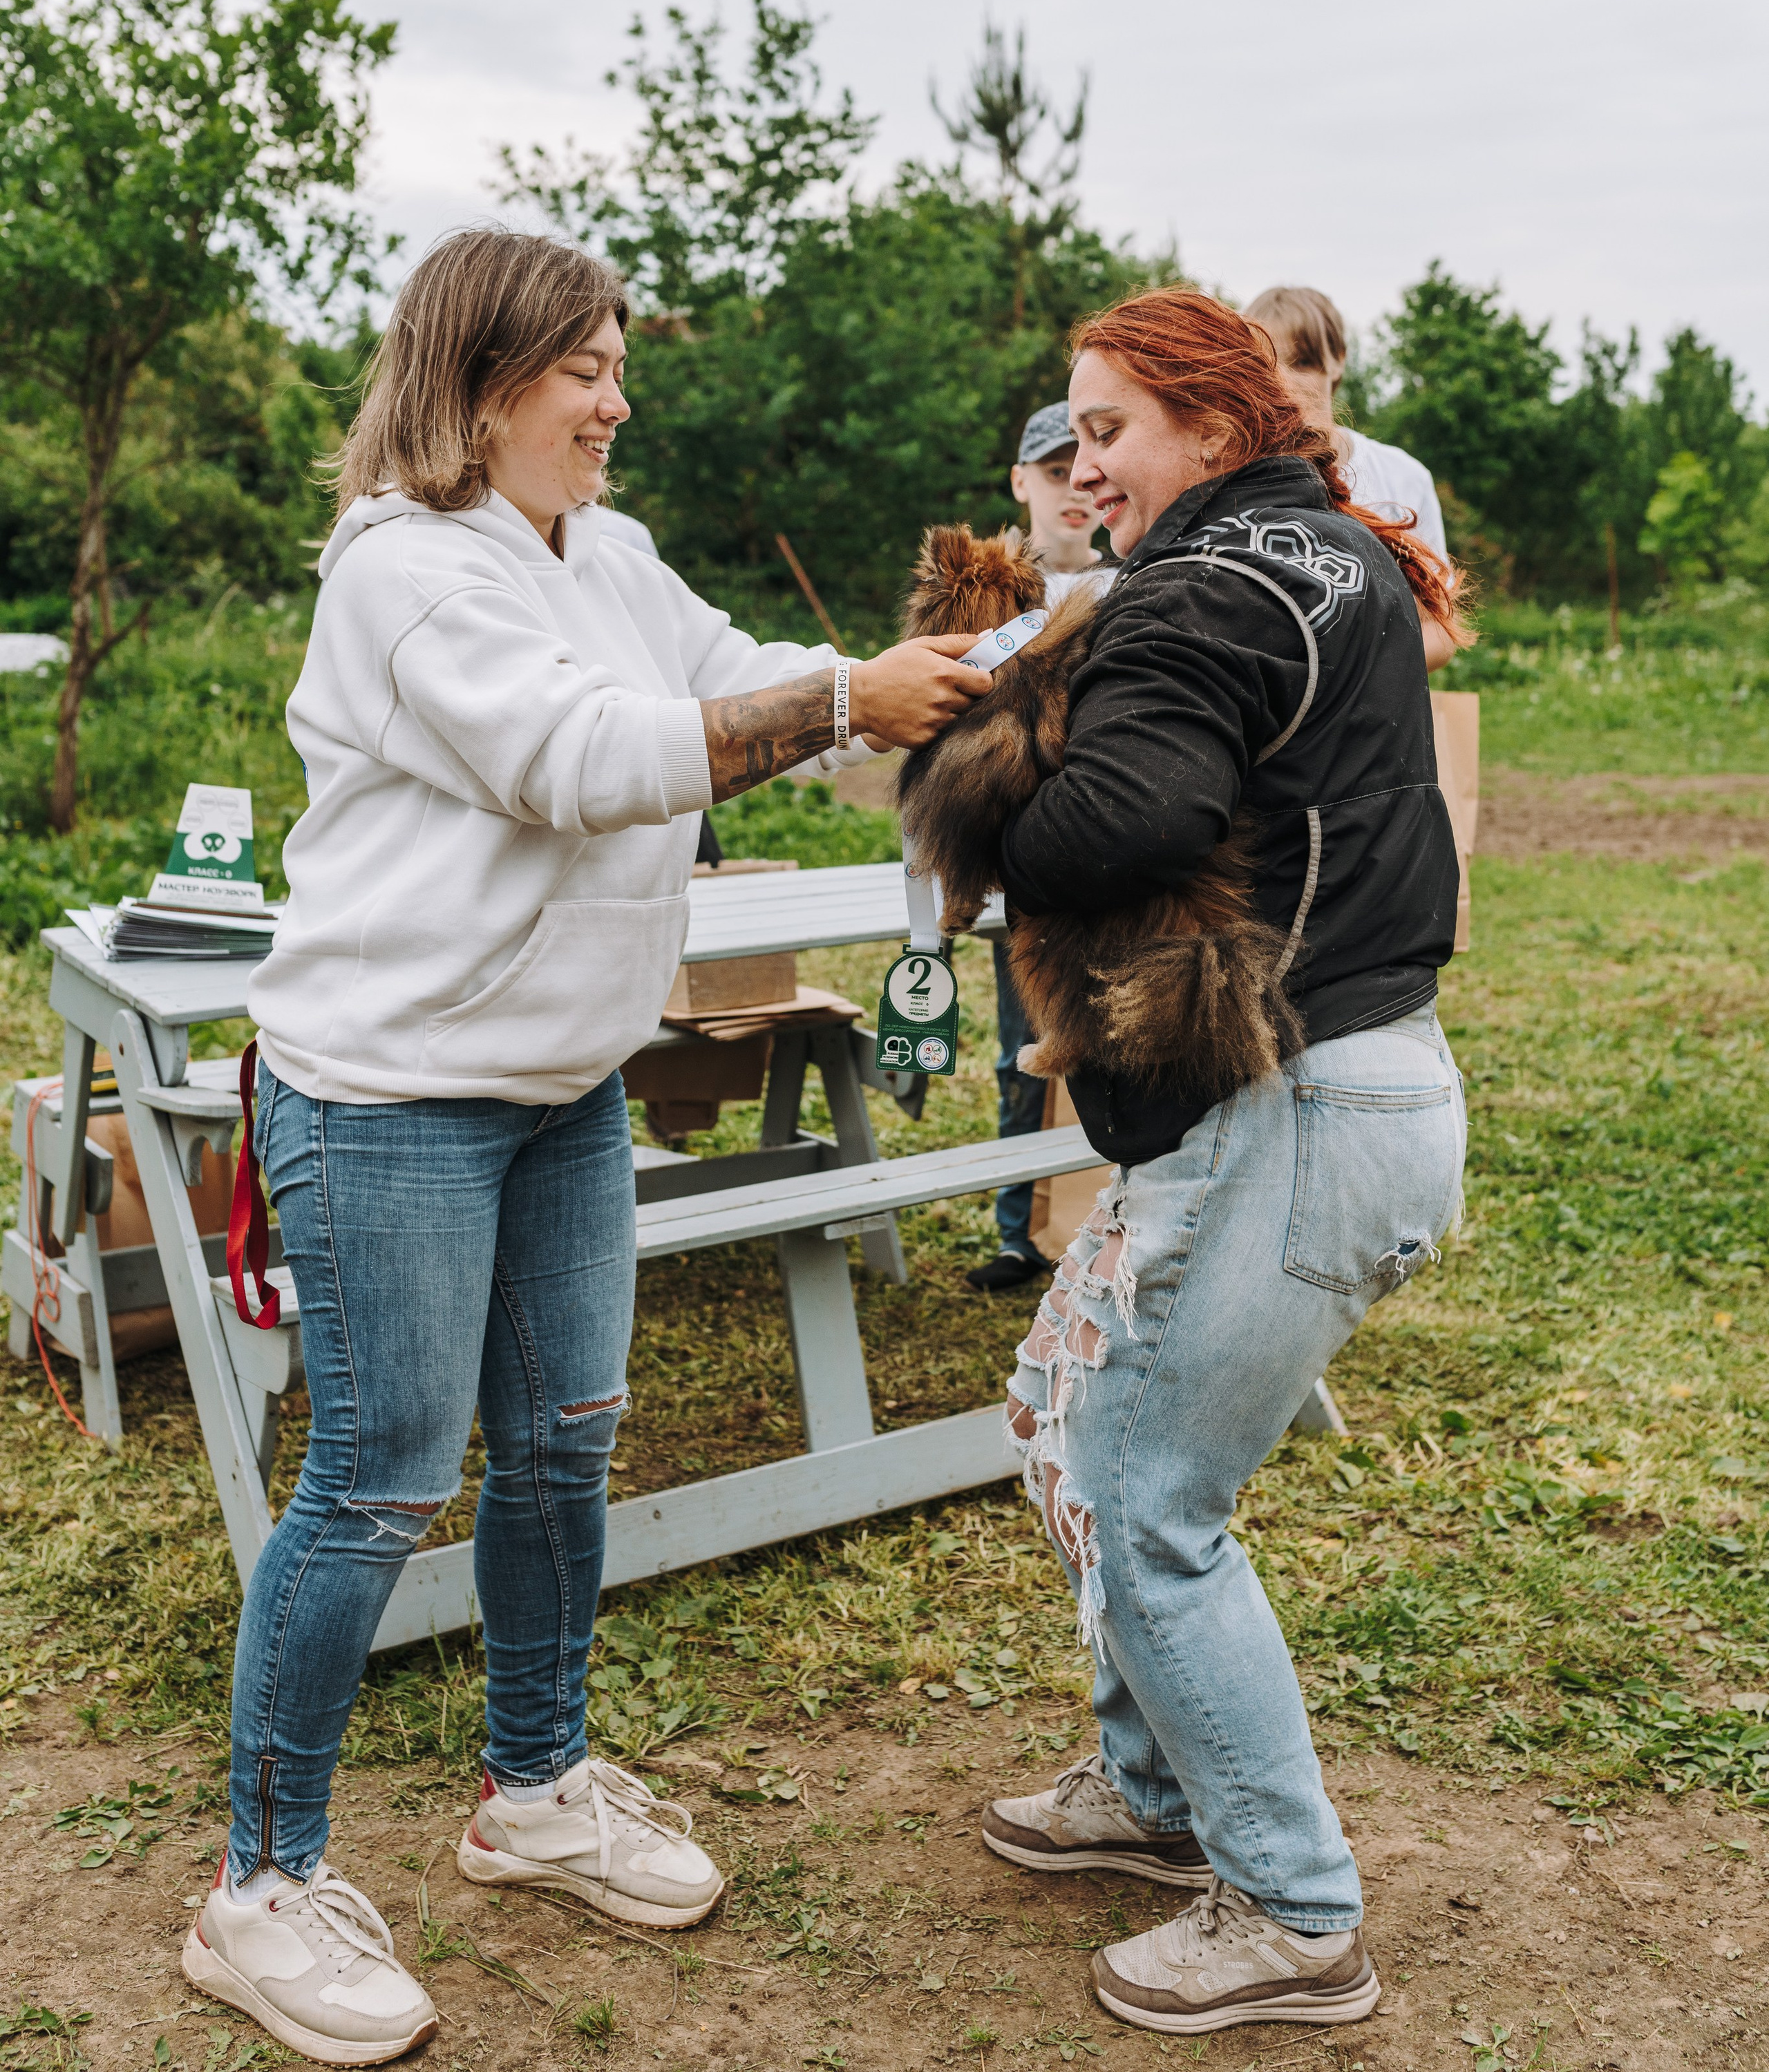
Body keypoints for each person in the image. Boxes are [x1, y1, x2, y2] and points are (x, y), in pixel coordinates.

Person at [184, 227, 990, 2067]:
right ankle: (259, 1885)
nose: (618, 400)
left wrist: (914, 683)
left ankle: (533, 1784)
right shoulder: (401, 573)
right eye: (587, 370)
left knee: (560, 1444)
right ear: (483, 386)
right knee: (384, 1477)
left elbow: (731, 674)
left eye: (619, 365)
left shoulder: (603, 550)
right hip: (390, 1092)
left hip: (562, 1083)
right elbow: (590, 753)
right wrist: (842, 698)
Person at [976, 288, 1466, 2040]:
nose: (1080, 460)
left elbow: (1127, 815)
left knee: (1144, 1501)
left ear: (1204, 420)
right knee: (1064, 1407)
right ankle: (1152, 1789)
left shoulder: (1200, 582)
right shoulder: (1327, 546)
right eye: (1072, 431)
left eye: (1105, 427)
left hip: (1297, 1108)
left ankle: (1288, 1905)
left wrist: (974, 797)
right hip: (1359, 1085)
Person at [964, 403, 1117, 1295]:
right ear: (1020, 482)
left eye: (1087, 466)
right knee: (1024, 1049)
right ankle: (1022, 1231)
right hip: (1013, 856)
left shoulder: (1134, 581)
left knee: (1116, 1041)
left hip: (1109, 849)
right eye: (1053, 471)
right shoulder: (991, 591)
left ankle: (1104, 1223)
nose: (1073, 487)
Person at [1244, 285, 1447, 556]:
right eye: (1267, 365)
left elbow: (1435, 594)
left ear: (1339, 358)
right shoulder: (1234, 483)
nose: (1285, 382)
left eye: (1303, 363)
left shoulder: (1405, 479)